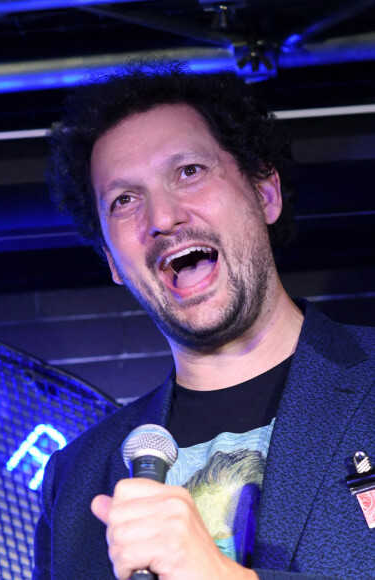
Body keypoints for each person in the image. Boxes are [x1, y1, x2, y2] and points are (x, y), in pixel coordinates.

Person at [32, 61, 375, 579]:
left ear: (265, 194)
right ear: (111, 260)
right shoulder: (77, 480)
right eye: (124, 200)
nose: (162, 218)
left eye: (188, 172)